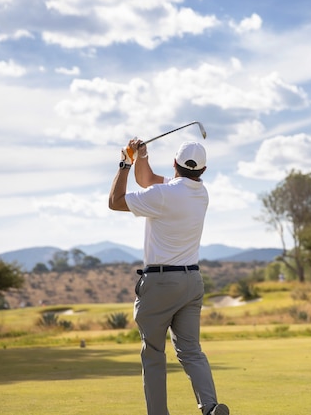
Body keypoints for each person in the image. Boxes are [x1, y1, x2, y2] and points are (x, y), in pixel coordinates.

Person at [109, 138, 229, 415]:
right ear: (203, 170)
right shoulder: (201, 193)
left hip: (161, 283)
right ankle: (210, 408)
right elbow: (148, 179)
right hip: (191, 282)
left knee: (153, 353)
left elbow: (115, 201)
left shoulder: (164, 195)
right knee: (191, 351)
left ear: (174, 163)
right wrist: (143, 156)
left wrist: (125, 163)